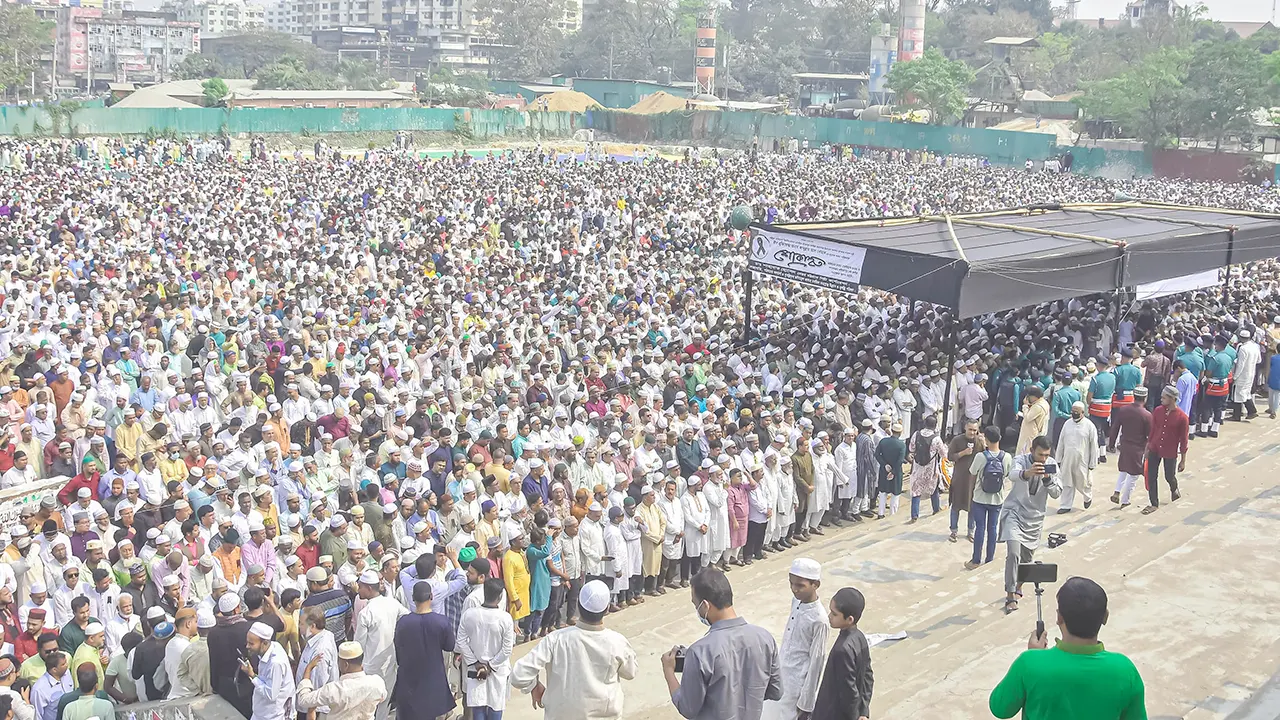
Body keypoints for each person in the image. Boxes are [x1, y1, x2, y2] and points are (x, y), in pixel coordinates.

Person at [990, 577, 1145, 720]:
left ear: (1059, 618)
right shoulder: (1125, 670)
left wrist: (1035, 656)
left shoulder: (1029, 663)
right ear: (1105, 617)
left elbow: (1000, 709)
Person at [662, 567, 782, 720]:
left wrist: (668, 671)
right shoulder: (765, 638)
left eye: (695, 605)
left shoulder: (700, 652)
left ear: (705, 605)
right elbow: (776, 691)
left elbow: (688, 708)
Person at [511, 580, 637, 720]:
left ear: (578, 605)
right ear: (607, 609)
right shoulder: (616, 642)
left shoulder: (555, 639)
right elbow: (630, 673)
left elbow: (518, 675)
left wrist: (534, 685)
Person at [998, 436, 1062, 613]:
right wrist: (1028, 473)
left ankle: (1018, 585)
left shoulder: (1052, 466)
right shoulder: (1021, 460)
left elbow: (1057, 493)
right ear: (1032, 451)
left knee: (1027, 560)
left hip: (1035, 518)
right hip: (1015, 512)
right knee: (1013, 553)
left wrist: (1047, 478)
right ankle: (1010, 594)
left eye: (1046, 455)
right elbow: (1012, 475)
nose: (1043, 459)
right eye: (1040, 454)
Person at [762, 559, 827, 720]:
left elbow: (816, 663)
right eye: (791, 583)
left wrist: (806, 703)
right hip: (779, 675)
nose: (794, 589)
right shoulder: (796, 602)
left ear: (815, 585)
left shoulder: (819, 619)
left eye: (800, 585)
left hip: (796, 686)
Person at [392, 582, 455, 720]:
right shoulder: (442, 621)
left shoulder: (403, 622)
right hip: (432, 678)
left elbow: (398, 648)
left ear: (413, 598)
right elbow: (449, 646)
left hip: (408, 678)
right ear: (431, 596)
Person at [455, 578, 515, 720]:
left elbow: (461, 641)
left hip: (476, 670)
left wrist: (475, 663)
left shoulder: (469, 615)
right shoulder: (505, 618)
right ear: (500, 596)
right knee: (496, 705)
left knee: (478, 705)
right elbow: (507, 649)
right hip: (498, 670)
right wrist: (491, 666)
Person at [811, 587, 873, 720]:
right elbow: (868, 677)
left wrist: (855, 716)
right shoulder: (860, 637)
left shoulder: (842, 649)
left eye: (834, 614)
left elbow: (848, 692)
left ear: (849, 619)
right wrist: (863, 711)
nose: (829, 616)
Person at [352, 570, 405, 720]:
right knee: (384, 703)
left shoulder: (366, 613)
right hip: (389, 664)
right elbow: (407, 618)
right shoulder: (392, 603)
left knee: (368, 707)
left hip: (370, 667)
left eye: (360, 586)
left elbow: (358, 645)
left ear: (368, 588)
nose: (358, 589)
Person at [296, 640, 388, 720]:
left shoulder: (334, 689)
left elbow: (303, 700)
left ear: (345, 665)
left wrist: (308, 669)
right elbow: (382, 697)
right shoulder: (377, 682)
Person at [964, 426, 1010, 571]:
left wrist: (971, 494)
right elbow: (1006, 475)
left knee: (980, 529)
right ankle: (989, 559)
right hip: (997, 499)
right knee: (992, 529)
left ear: (987, 440)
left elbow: (972, 473)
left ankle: (975, 560)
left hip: (980, 499)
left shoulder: (980, 457)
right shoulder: (1007, 457)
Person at [1144, 385, 1189, 514]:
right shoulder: (1158, 411)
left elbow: (1183, 440)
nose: (1161, 399)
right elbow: (1153, 430)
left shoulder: (1182, 418)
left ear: (1172, 399)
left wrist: (1183, 460)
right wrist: (1148, 447)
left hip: (1170, 450)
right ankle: (1154, 503)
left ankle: (1174, 488)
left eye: (1164, 397)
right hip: (1155, 447)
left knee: (1169, 476)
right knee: (1152, 476)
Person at [1106, 386, 1151, 513]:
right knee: (1134, 474)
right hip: (1138, 448)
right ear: (1145, 398)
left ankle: (1117, 491)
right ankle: (1125, 501)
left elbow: (1115, 427)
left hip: (1124, 445)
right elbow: (1150, 435)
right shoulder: (1147, 415)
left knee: (1124, 469)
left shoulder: (1123, 410)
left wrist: (1111, 443)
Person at [240, 621, 296, 720]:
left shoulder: (275, 663)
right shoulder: (273, 646)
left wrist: (252, 675)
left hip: (274, 715)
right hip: (262, 712)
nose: (247, 646)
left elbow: (271, 695)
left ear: (264, 643)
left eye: (251, 643)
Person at [1056, 402, 1096, 512]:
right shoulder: (1067, 424)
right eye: (1072, 411)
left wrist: (1092, 463)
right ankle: (1065, 505)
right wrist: (1058, 459)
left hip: (1083, 460)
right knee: (1067, 482)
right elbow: (1061, 442)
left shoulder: (1089, 426)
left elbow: (1094, 445)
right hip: (1067, 459)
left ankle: (1088, 497)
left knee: (1083, 482)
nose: (1074, 414)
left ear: (1083, 413)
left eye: (1076, 412)